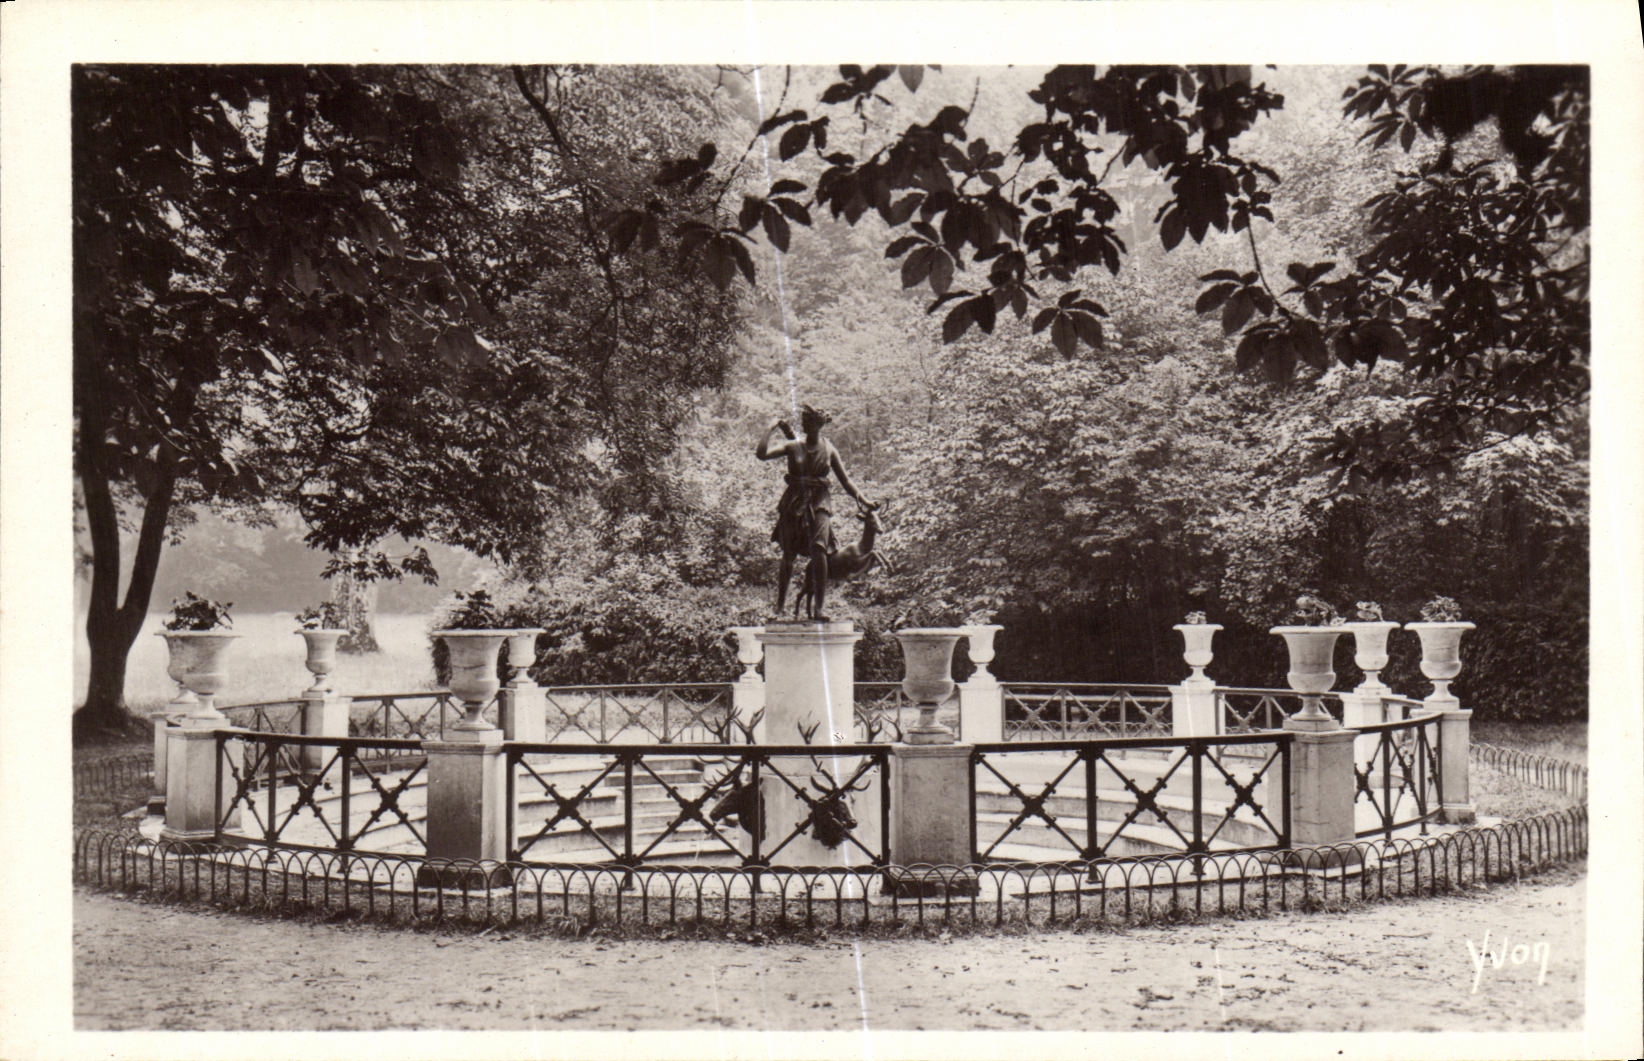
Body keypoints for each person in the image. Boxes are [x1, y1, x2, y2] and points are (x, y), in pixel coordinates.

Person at [757, 404, 874, 620]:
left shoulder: (829, 449)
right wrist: (770, 427)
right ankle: (779, 608)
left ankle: (820, 608)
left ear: (819, 425)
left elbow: (845, 480)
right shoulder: (793, 446)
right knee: (788, 553)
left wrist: (865, 500)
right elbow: (761, 454)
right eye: (804, 423)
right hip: (794, 501)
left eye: (810, 423)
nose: (806, 426)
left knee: (820, 550)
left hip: (820, 501)